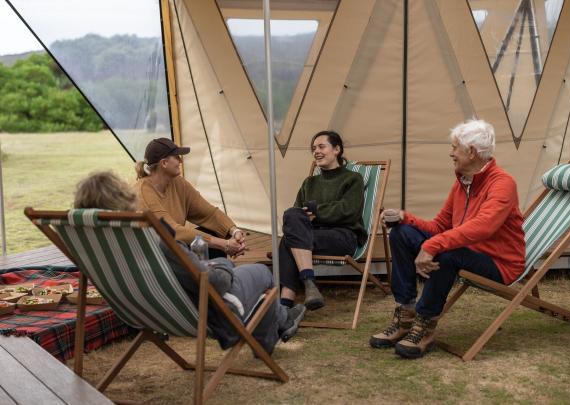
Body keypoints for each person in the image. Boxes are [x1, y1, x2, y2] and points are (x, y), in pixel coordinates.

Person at [74, 171, 305, 354]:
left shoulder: (91, 243)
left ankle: (276, 328)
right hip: (205, 312)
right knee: (261, 274)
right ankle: (282, 319)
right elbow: (217, 283)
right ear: (123, 198)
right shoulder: (152, 236)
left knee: (243, 283)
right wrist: (224, 265)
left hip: (145, 313)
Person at [369, 119, 525, 359]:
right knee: (402, 232)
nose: (451, 153)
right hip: (465, 251)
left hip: (499, 264)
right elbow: (440, 226)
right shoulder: (463, 182)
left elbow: (483, 227)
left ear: (471, 152)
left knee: (447, 252)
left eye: (455, 147)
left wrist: (432, 246)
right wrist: (404, 217)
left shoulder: (503, 183)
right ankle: (406, 314)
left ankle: (425, 326)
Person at [278, 130, 367, 311]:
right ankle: (308, 283)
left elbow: (348, 210)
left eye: (321, 146)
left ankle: (285, 303)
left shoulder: (352, 179)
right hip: (312, 235)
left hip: (343, 236)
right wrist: (304, 216)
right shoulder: (309, 183)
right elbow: (295, 216)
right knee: (291, 215)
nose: (316, 151)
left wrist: (316, 212)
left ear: (336, 149)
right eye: (313, 148)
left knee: (289, 240)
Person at [134, 137, 245, 259]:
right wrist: (225, 244)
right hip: (156, 256)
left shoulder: (177, 183)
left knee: (215, 233)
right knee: (213, 243)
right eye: (176, 157)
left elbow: (209, 214)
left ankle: (212, 275)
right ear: (164, 163)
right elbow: (173, 231)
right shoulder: (143, 193)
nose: (180, 161)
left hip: (174, 248)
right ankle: (213, 274)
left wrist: (234, 231)